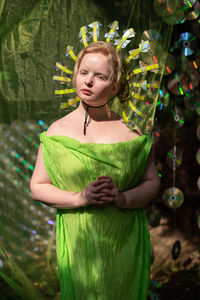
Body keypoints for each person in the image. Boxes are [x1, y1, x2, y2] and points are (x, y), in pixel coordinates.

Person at [30, 41, 160, 300]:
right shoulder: (57, 132)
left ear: (115, 86)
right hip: (80, 243)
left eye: (100, 76)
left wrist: (123, 198)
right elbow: (38, 186)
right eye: (84, 72)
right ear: (75, 75)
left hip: (123, 240)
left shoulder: (131, 134)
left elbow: (152, 183)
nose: (88, 81)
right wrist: (81, 197)